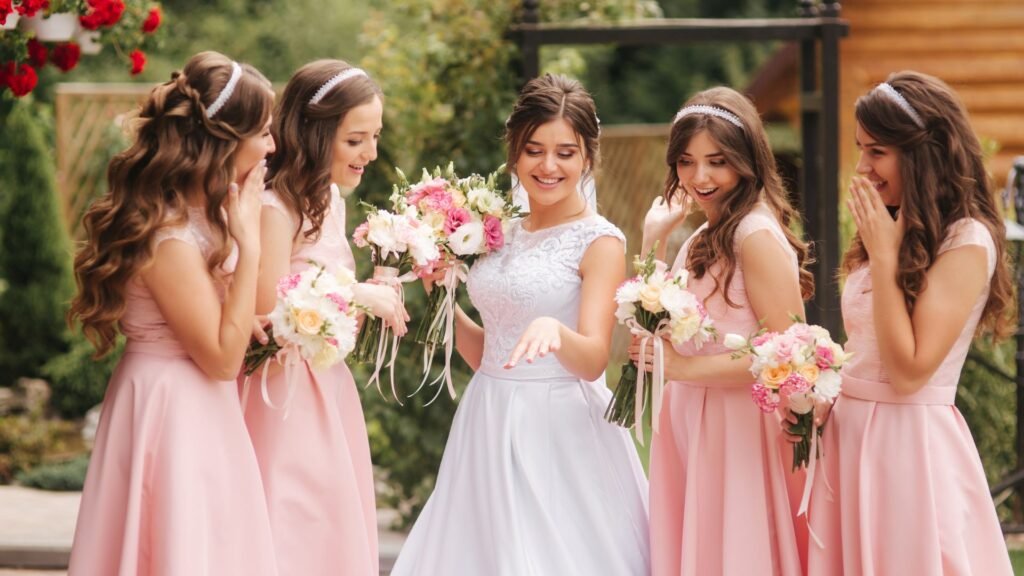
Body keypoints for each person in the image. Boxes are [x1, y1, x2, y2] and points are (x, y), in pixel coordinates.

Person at [391, 73, 650, 576]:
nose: (548, 166)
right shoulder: (497, 230)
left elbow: (595, 360)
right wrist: (442, 297)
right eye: (534, 150)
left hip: (558, 428)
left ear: (587, 158)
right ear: (514, 153)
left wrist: (557, 333)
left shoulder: (600, 242)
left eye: (565, 152)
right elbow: (487, 354)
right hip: (488, 415)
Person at [67, 51, 279, 575]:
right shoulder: (168, 238)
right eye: (266, 134)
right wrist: (249, 246)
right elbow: (222, 360)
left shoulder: (204, 216)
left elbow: (212, 323)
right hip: (170, 407)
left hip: (200, 404)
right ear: (225, 141)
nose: (274, 147)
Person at [807, 70, 1014, 575]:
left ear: (925, 152)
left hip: (907, 448)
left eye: (877, 151)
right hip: (848, 436)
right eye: (861, 149)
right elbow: (868, 342)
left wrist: (884, 257)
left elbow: (909, 371)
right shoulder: (893, 220)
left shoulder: (966, 241)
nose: (862, 167)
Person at [635, 86, 813, 576]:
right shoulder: (703, 232)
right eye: (687, 162)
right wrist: (655, 236)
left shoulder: (752, 234)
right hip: (693, 419)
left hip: (737, 427)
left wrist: (687, 367)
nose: (700, 176)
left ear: (745, 159)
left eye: (716, 161)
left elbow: (790, 352)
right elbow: (652, 318)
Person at [241, 59, 407, 576]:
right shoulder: (275, 206)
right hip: (279, 393)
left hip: (324, 384)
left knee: (328, 526)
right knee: (290, 522)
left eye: (374, 137)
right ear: (316, 133)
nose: (371, 154)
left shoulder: (328, 198)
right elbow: (266, 309)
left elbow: (323, 283)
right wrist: (359, 294)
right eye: (356, 140)